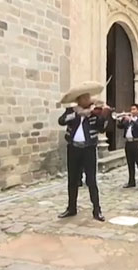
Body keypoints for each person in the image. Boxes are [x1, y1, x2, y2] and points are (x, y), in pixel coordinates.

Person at [57, 81, 111, 222]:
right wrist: (78, 114)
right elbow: (61, 121)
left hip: (88, 149)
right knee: (72, 180)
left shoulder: (95, 113)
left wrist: (105, 115)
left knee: (91, 180)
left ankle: (97, 210)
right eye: (85, 98)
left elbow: (102, 128)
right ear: (79, 100)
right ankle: (71, 208)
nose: (89, 100)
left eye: (89, 98)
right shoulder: (72, 111)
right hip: (73, 148)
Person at [117, 104, 138, 190]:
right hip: (128, 143)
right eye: (131, 109)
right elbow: (119, 127)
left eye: (134, 109)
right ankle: (131, 181)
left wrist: (131, 120)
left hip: (137, 142)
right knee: (130, 163)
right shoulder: (128, 120)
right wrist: (121, 119)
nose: (132, 111)